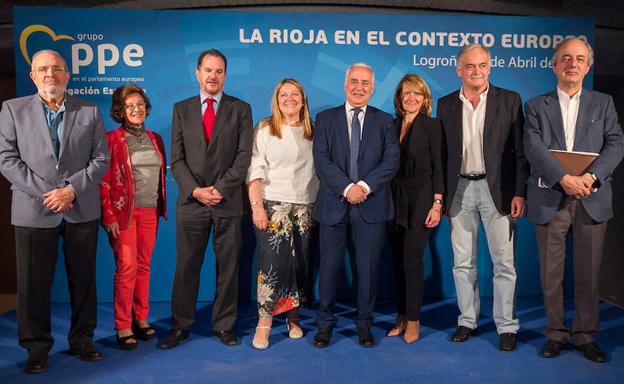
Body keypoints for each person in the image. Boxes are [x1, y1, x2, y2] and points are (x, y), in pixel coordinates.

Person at [0, 49, 109, 373]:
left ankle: (83, 340)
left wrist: (71, 189)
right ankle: (36, 348)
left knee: (84, 281)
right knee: (33, 284)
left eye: (57, 69)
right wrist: (49, 193)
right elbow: (7, 159)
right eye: (43, 69)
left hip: (80, 208)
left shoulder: (89, 111)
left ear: (67, 75)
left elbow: (100, 159)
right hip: (34, 209)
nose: (51, 74)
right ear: (33, 76)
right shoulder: (12, 109)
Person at [524, 37, 624, 363]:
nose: (573, 63)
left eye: (580, 58)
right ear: (554, 65)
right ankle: (556, 333)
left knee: (588, 273)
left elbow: (616, 145)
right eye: (565, 57)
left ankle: (584, 335)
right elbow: (533, 147)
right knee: (551, 274)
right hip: (550, 196)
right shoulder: (536, 106)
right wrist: (563, 179)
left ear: (588, 66)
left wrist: (590, 178)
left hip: (591, 198)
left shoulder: (604, 104)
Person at [437, 43, 528, 352]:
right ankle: (467, 320)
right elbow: (443, 155)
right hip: (460, 189)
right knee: (462, 263)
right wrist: (443, 196)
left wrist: (519, 191)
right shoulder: (446, 104)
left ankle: (507, 326)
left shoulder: (510, 101)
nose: (477, 71)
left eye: (483, 65)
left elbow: (520, 152)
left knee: (504, 262)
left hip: (498, 190)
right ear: (459, 69)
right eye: (470, 66)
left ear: (490, 67)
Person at [160, 49, 253, 349]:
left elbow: (243, 157)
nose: (213, 76)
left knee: (228, 268)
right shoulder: (181, 109)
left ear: (225, 75)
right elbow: (177, 157)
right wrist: (196, 191)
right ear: (198, 73)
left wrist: (221, 189)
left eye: (219, 71)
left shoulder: (241, 109)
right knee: (186, 266)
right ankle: (181, 325)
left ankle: (224, 325)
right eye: (208, 70)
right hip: (191, 201)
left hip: (228, 202)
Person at [312, 63, 399, 348]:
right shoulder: (325, 119)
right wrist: (348, 187)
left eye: (365, 83)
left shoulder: (385, 121)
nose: (359, 87)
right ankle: (324, 325)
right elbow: (322, 160)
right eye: (354, 81)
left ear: (373, 88)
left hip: (371, 206)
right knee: (329, 270)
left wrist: (363, 187)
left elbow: (391, 162)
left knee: (368, 270)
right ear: (345, 85)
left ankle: (364, 325)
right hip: (333, 206)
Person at [246, 78, 318, 349]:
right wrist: (256, 207)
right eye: (283, 94)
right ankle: (264, 323)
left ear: (303, 99)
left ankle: (293, 317)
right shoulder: (265, 128)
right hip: (272, 206)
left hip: (305, 206)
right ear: (276, 100)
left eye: (295, 94)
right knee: (273, 266)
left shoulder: (314, 130)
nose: (289, 98)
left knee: (299, 265)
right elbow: (255, 169)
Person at [100, 84, 167, 350]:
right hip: (123, 213)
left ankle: (141, 319)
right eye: (130, 106)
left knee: (143, 266)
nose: (136, 109)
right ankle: (122, 324)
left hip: (150, 210)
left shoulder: (155, 138)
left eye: (140, 104)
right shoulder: (112, 139)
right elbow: (103, 181)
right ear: (120, 111)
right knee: (126, 269)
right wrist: (108, 216)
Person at [386, 74, 444, 344]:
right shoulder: (391, 125)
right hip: (393, 198)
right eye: (406, 93)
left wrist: (437, 203)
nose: (411, 98)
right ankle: (401, 315)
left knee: (412, 261)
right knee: (397, 262)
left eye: (417, 93)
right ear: (399, 98)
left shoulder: (433, 126)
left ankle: (414, 320)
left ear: (424, 99)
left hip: (422, 198)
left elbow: (440, 168)